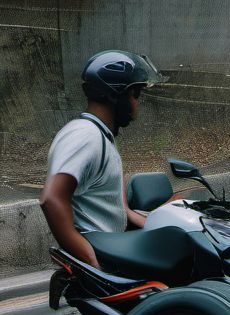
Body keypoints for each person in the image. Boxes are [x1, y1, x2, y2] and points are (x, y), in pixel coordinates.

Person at [39, 51, 164, 267]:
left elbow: (112, 205)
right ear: (115, 96)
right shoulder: (85, 136)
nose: (137, 105)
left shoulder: (100, 135)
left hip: (115, 247)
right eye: (136, 95)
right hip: (104, 254)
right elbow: (52, 199)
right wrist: (90, 260)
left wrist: (157, 225)